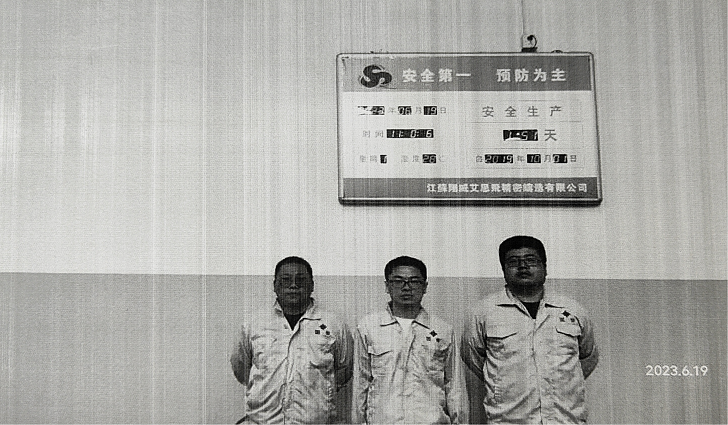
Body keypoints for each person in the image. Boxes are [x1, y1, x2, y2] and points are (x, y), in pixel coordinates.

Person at [461, 236, 599, 424]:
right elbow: (474, 358)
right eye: (513, 262)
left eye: (530, 260)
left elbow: (587, 358)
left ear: (545, 268)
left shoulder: (573, 310)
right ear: (503, 270)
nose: (523, 266)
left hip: (566, 419)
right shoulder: (484, 313)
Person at [230, 256, 353, 424]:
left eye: (300, 279)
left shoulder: (334, 325)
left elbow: (345, 369)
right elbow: (242, 369)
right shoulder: (254, 324)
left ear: (312, 285)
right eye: (286, 280)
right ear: (275, 286)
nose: (293, 285)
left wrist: (321, 392)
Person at [352, 256, 468, 424]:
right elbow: (360, 384)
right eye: (398, 281)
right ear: (387, 286)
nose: (406, 287)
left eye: (414, 281)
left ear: (425, 287)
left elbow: (455, 387)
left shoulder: (443, 330)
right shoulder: (368, 327)